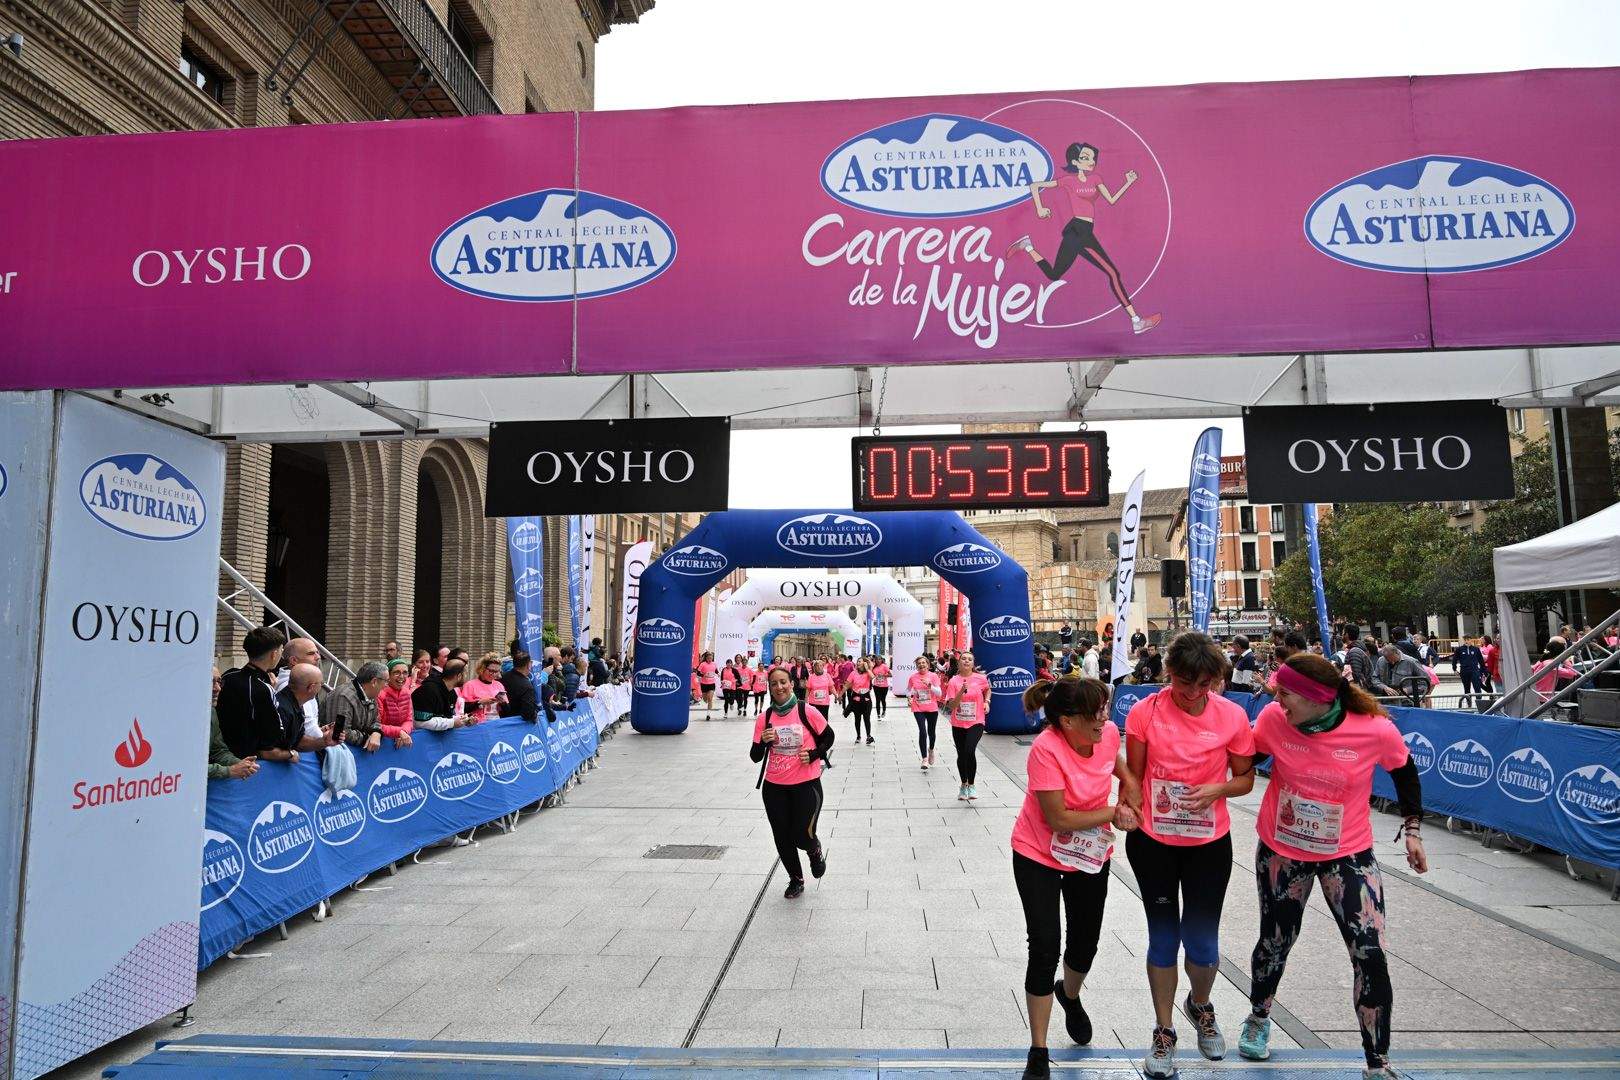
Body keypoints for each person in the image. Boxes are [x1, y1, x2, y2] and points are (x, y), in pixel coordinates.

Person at [1239, 654, 1428, 1080]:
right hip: (1284, 850)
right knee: (1276, 940)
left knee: (1370, 952)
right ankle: (1258, 1016)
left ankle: (1377, 1060)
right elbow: (1244, 759)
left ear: (1316, 697)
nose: (1277, 699)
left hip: (1348, 854)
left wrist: (1412, 830)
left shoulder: (1374, 729)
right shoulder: (1273, 719)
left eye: (1285, 693)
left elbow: (1405, 772)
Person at [1121, 631, 1256, 1079]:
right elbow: (1135, 774)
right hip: (1154, 842)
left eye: (1205, 685)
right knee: (1163, 938)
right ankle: (1164, 1031)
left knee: (1202, 943)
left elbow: (1244, 779)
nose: (1195, 694)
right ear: (1169, 674)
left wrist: (1216, 788)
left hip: (1207, 843)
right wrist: (1130, 805)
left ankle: (1200, 1005)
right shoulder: (1145, 712)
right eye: (1185, 684)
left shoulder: (1232, 716)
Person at [1013, 677, 1141, 1080]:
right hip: (1039, 853)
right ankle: (1038, 1048)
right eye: (1094, 714)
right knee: (1045, 944)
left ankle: (1069, 995)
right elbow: (1059, 818)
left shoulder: (1107, 734)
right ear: (1067, 721)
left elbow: (1123, 771)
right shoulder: (1045, 749)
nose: (1103, 720)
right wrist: (1112, 813)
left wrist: (1130, 793)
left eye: (1104, 709)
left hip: (1089, 854)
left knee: (1085, 941)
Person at [1008, 140, 1161, 336]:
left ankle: (1028, 246)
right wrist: (1040, 208)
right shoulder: (1068, 181)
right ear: (1075, 161)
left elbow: (1112, 200)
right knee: (1113, 273)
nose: (1091, 161)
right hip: (1078, 231)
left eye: (1092, 158)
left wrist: (1128, 182)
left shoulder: (1096, 179)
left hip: (1082, 231)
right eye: (1085, 158)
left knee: (1054, 275)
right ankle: (1136, 321)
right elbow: (1035, 186)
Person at [750, 666, 833, 899]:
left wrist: (815, 754)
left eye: (783, 682)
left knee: (801, 835)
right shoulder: (765, 718)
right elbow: (755, 756)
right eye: (774, 683)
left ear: (792, 684)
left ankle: (814, 850)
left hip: (806, 784)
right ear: (769, 687)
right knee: (782, 835)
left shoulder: (807, 711)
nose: (779, 687)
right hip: (774, 786)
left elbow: (829, 736)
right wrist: (762, 742)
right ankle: (796, 879)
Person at [216, 626, 286, 760]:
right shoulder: (261, 688)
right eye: (281, 651)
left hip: (220, 751)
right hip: (246, 760)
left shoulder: (228, 675)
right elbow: (274, 735)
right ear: (274, 654)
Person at [945, 650, 990, 802]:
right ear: (959, 662)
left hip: (976, 721)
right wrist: (961, 692)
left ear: (973, 663)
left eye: (969, 659)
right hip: (958, 722)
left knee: (969, 750)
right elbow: (951, 705)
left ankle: (971, 785)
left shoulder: (980, 678)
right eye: (963, 659)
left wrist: (986, 702)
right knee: (961, 754)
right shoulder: (954, 681)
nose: (966, 661)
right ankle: (963, 785)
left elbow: (987, 689)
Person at [208, 667, 258, 781]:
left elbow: (219, 751)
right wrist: (229, 771)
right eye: (210, 682)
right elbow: (187, 766)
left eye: (219, 682)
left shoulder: (211, 712)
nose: (217, 688)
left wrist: (241, 764)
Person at [276, 663, 332, 757]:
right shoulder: (282, 708)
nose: (321, 687)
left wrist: (325, 741)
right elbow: (265, 749)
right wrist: (289, 754)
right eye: (321, 684)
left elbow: (298, 741)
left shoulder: (296, 704)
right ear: (311, 687)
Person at [330, 661, 387, 752]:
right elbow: (340, 732)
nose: (386, 686)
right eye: (386, 681)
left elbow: (376, 721)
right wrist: (367, 738)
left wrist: (376, 733)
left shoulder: (372, 695)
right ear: (374, 682)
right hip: (337, 752)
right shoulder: (344, 696)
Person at [413, 659, 472, 730]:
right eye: (465, 674)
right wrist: (452, 723)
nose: (466, 677)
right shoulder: (428, 690)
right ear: (459, 676)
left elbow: (446, 717)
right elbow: (419, 722)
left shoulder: (452, 693)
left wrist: (462, 720)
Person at [907, 654, 943, 770]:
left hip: (932, 708)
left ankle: (931, 749)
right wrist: (910, 697)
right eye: (919, 664)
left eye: (923, 663)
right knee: (922, 731)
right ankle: (924, 759)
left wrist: (930, 686)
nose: (921, 665)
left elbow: (939, 693)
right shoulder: (913, 677)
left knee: (931, 733)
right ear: (917, 666)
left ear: (928, 665)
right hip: (918, 707)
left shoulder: (933, 676)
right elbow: (908, 691)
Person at [375, 659, 415, 749]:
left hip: (399, 741)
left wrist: (404, 731)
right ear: (388, 676)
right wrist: (399, 732)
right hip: (380, 743)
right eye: (396, 672)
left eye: (405, 673)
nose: (401, 676)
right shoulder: (379, 694)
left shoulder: (407, 693)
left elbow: (409, 720)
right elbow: (375, 725)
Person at [459, 653, 507, 724]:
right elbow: (463, 709)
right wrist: (480, 702)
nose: (493, 674)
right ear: (482, 668)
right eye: (491, 671)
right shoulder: (470, 685)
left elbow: (507, 710)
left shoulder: (499, 685)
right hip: (477, 726)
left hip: (496, 724)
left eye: (496, 671)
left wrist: (503, 703)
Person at [500, 650, 540, 722]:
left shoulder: (502, 678)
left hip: (499, 722)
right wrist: (534, 715)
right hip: (517, 726)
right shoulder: (527, 686)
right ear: (529, 665)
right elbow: (528, 713)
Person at [1450, 637, 1486, 706]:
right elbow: (1454, 660)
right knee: (1467, 688)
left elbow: (1481, 661)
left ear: (1471, 640)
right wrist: (1454, 669)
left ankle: (1479, 704)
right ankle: (1469, 704)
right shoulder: (1459, 649)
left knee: (1477, 687)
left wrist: (1483, 671)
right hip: (1464, 671)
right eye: (1465, 640)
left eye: (1468, 640)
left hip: (1474, 670)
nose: (1467, 641)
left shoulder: (1476, 649)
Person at [847, 659, 874, 745]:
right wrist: (840, 695)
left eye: (860, 661)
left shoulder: (867, 672)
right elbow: (847, 684)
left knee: (867, 718)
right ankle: (858, 736)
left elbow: (872, 677)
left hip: (866, 698)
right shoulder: (853, 673)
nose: (858, 662)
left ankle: (868, 736)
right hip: (856, 699)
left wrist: (867, 669)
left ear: (864, 663)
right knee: (857, 718)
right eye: (858, 661)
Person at [696, 651, 718, 716]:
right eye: (708, 658)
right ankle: (706, 701)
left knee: (710, 698)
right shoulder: (703, 664)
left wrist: (719, 674)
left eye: (711, 658)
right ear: (706, 658)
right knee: (705, 699)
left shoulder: (714, 664)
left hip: (712, 683)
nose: (710, 659)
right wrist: (703, 675)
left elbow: (716, 670)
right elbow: (698, 673)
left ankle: (708, 714)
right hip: (704, 683)